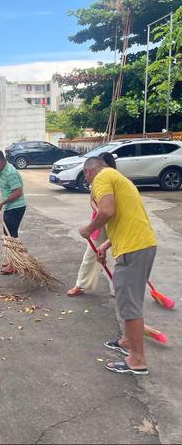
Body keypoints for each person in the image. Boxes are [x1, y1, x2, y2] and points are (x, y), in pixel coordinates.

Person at [79, 156, 157, 376]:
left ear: (88, 172)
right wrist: (104, 245)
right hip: (140, 245)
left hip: (134, 249)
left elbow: (106, 211)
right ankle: (127, 342)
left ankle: (137, 360)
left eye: (86, 177)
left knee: (129, 305)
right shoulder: (119, 177)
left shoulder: (101, 178)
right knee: (129, 300)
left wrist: (88, 228)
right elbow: (125, 218)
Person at [68, 152, 117, 297]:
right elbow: (92, 200)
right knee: (91, 254)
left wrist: (103, 211)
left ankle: (117, 288)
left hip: (115, 223)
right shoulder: (97, 182)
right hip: (100, 222)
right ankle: (80, 285)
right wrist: (98, 210)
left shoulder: (111, 179)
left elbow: (110, 209)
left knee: (119, 258)